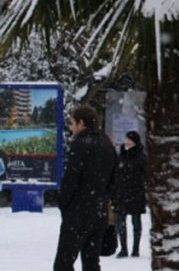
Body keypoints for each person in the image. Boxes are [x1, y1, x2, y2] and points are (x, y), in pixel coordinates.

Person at [53, 105, 117, 271]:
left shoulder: (80, 144)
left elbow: (71, 178)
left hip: (78, 212)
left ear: (81, 123)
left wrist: (63, 202)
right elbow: (113, 179)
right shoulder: (107, 143)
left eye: (72, 123)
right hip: (98, 210)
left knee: (64, 262)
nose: (70, 127)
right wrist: (102, 198)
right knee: (91, 261)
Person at [112, 130, 146, 258]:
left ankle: (135, 249)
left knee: (136, 221)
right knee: (120, 221)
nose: (126, 141)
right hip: (121, 193)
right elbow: (116, 173)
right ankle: (123, 248)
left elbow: (144, 174)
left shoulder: (141, 157)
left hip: (136, 193)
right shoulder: (121, 155)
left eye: (129, 139)